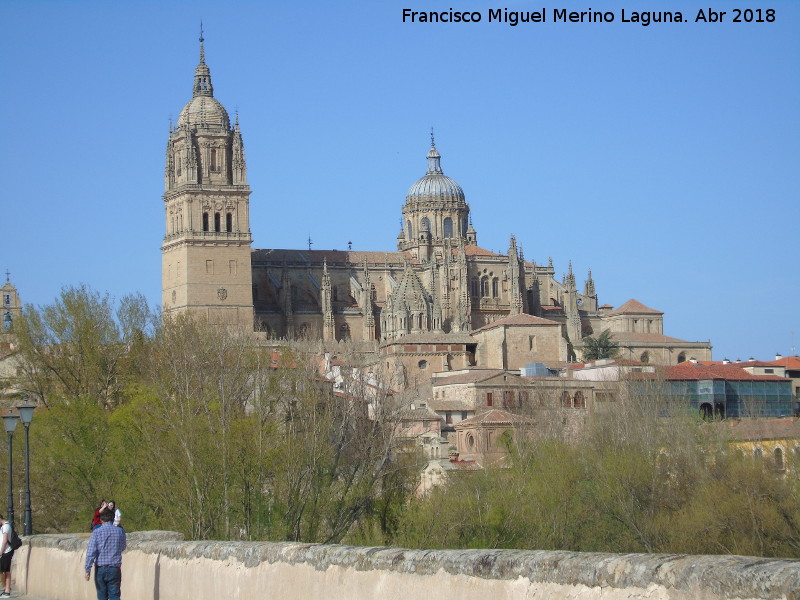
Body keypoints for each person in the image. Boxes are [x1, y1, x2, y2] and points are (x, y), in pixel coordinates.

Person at [84, 508, 126, 600]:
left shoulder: (97, 532)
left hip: (100, 569)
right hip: (114, 568)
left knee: (102, 596)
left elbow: (91, 552)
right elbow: (123, 547)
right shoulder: (120, 531)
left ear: (101, 520)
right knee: (115, 595)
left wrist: (88, 569)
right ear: (112, 519)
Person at [0, 514, 14, 598]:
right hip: (5, 552)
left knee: (3, 571)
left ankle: (7, 590)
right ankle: (7, 589)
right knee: (6, 570)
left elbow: (5, 541)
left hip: (6, 552)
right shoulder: (3, 527)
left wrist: (1, 552)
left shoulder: (6, 526)